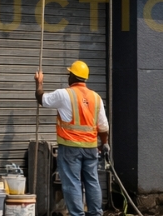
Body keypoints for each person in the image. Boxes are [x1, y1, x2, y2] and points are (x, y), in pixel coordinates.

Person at [35, 61, 109, 216]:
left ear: (73, 76)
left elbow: (41, 99)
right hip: (91, 148)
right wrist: (105, 144)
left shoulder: (64, 94)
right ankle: (96, 213)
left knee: (73, 183)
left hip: (70, 148)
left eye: (69, 74)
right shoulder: (96, 98)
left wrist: (39, 83)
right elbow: (103, 127)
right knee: (92, 181)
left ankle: (77, 214)